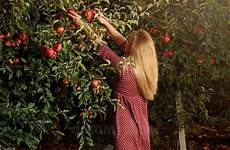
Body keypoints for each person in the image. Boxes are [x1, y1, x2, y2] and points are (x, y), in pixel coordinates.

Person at [68, 10, 158, 150]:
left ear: (132, 50)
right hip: (141, 128)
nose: (125, 45)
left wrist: (82, 24)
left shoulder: (125, 70)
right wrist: (106, 24)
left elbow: (101, 47)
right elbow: (125, 44)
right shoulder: (148, 68)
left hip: (124, 130)